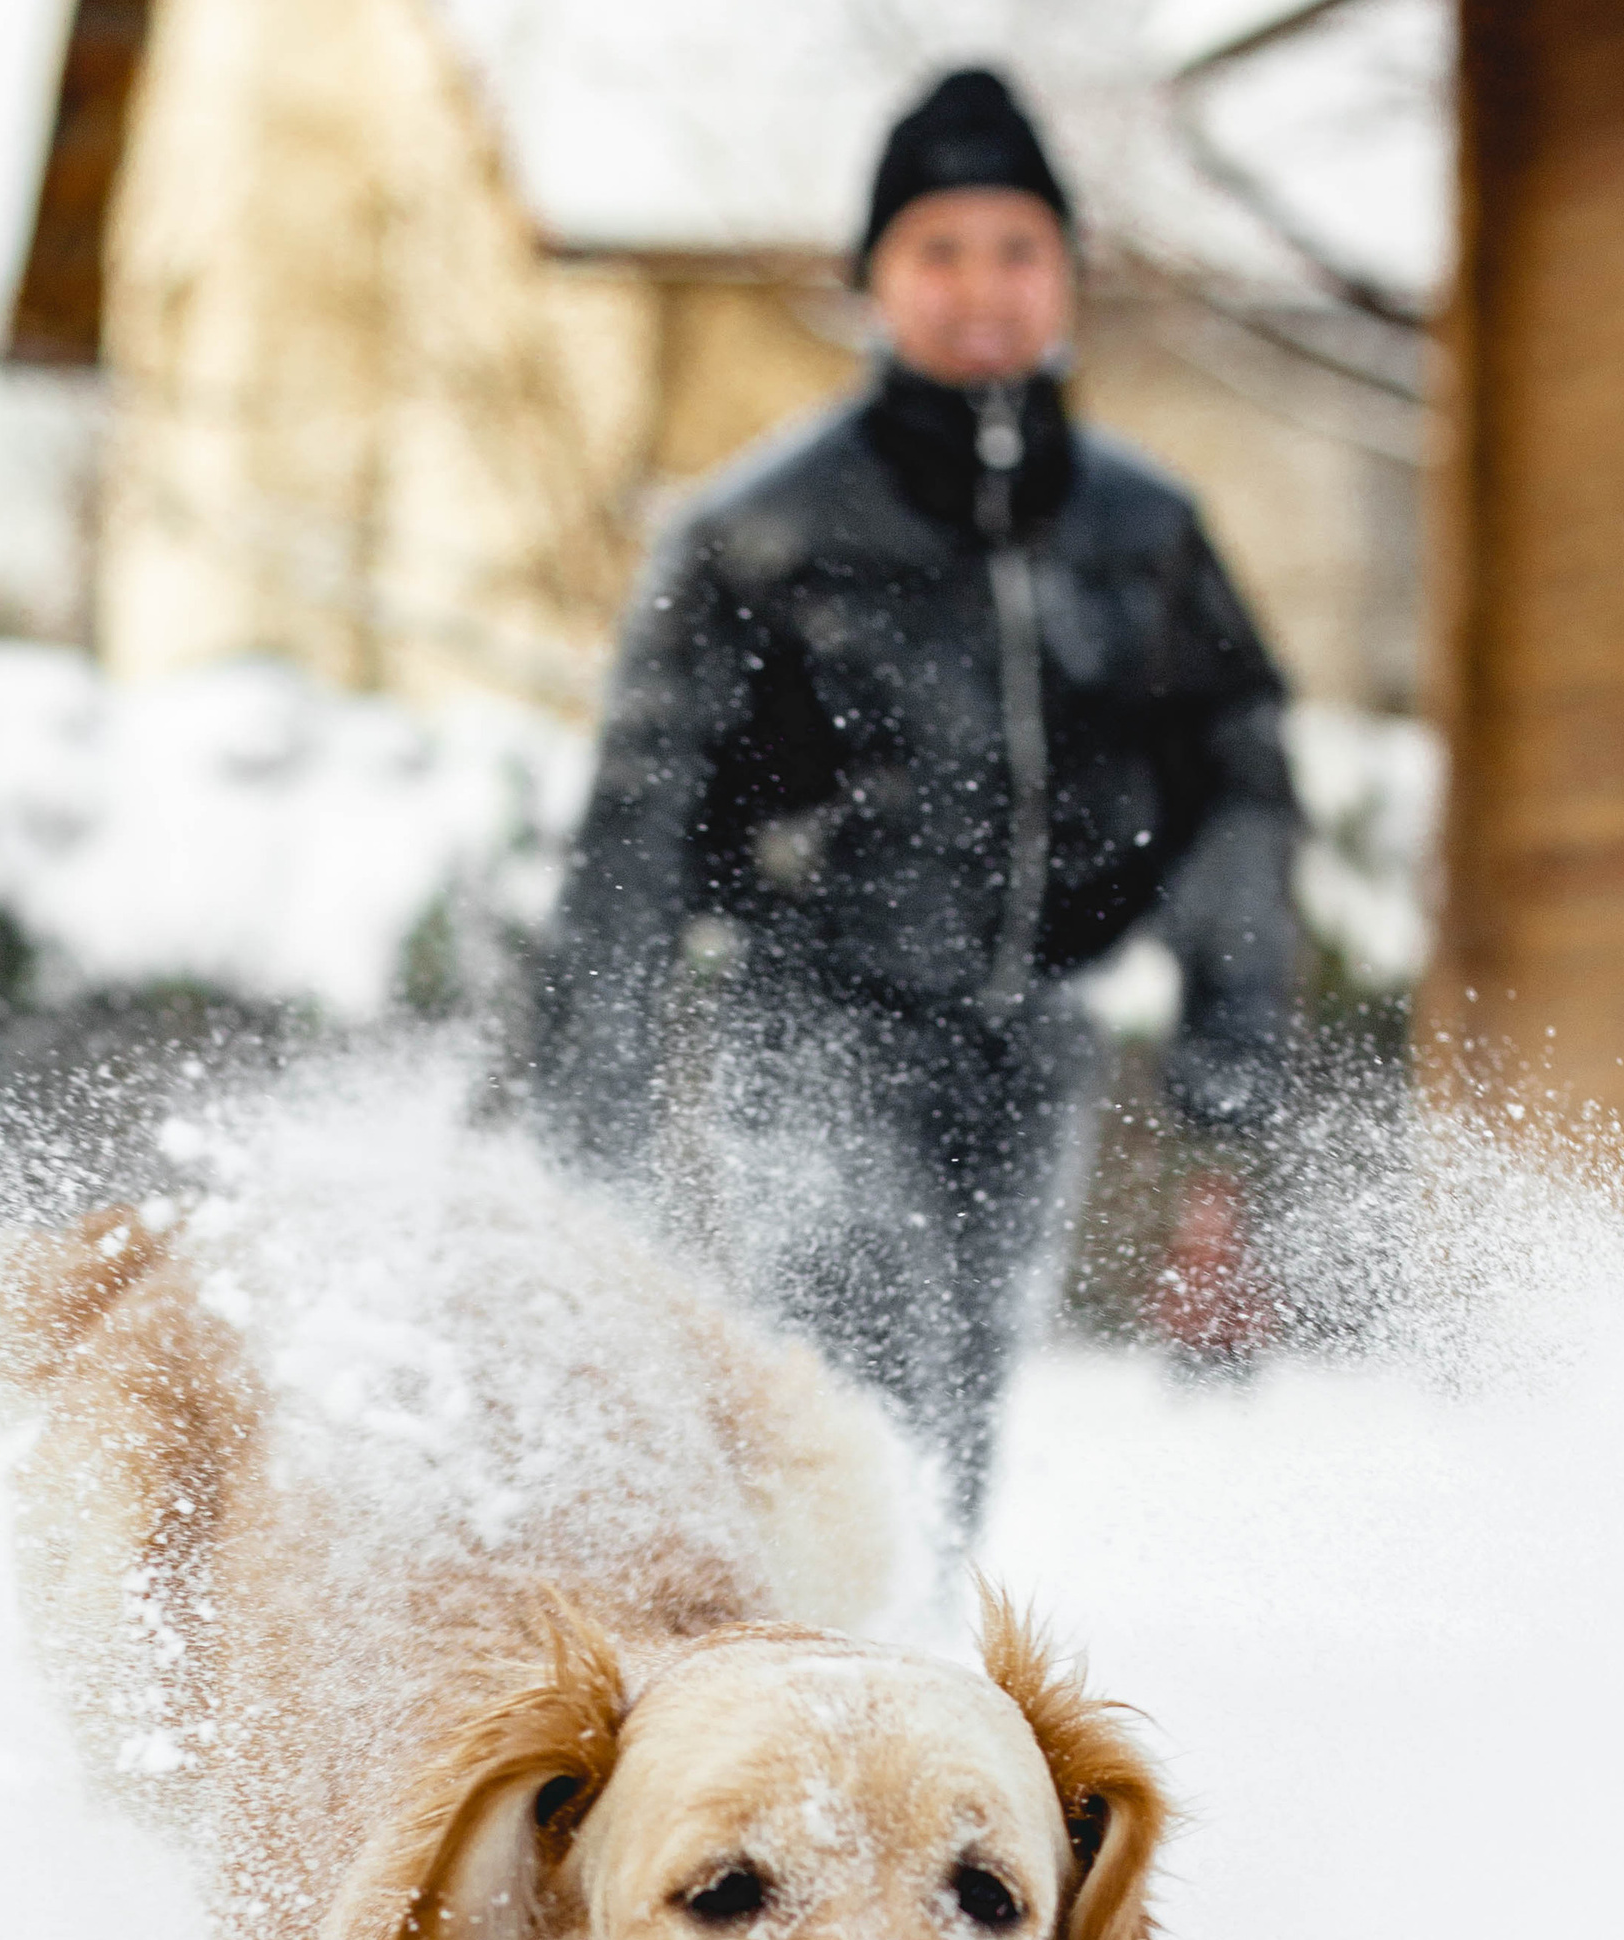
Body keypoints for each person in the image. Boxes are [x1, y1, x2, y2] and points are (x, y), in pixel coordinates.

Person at [530, 67, 1298, 1536]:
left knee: (957, 1410)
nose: (980, 290)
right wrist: (592, 1124)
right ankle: (818, 1704)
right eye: (937, 251)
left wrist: (1226, 1079)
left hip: (1031, 1042)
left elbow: (1242, 796)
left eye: (1017, 249)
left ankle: (899, 1690)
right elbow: (633, 831)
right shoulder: (762, 530)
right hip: (816, 1025)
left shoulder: (1146, 534)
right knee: (849, 1392)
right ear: (875, 281)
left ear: (1065, 276)